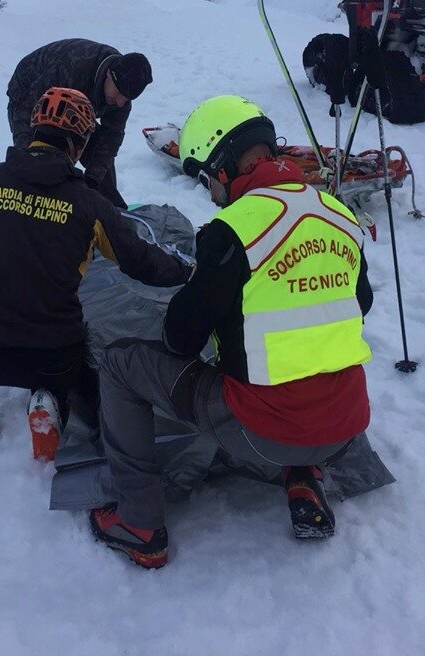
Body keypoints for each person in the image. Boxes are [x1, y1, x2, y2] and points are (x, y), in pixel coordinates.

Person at [90, 95, 374, 568]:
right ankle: (305, 477)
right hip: (346, 427)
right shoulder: (338, 215)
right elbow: (359, 304)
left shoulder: (232, 230)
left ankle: (139, 524)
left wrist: (212, 291)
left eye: (206, 181)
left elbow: (180, 338)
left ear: (222, 171)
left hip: (265, 432)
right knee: (297, 362)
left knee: (120, 363)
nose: (211, 195)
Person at [0, 87, 190, 458]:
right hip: (57, 361)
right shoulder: (90, 203)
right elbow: (142, 263)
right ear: (80, 144)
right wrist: (187, 268)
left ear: (33, 131)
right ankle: (48, 398)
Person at [6, 39, 153, 209]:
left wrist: (92, 180)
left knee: (99, 154)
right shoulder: (72, 67)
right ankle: (29, 211)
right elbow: (30, 111)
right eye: (119, 94)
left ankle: (112, 211)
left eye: (127, 99)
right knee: (37, 160)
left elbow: (110, 139)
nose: (120, 103)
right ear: (109, 74)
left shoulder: (123, 91)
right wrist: (28, 157)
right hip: (30, 95)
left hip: (78, 105)